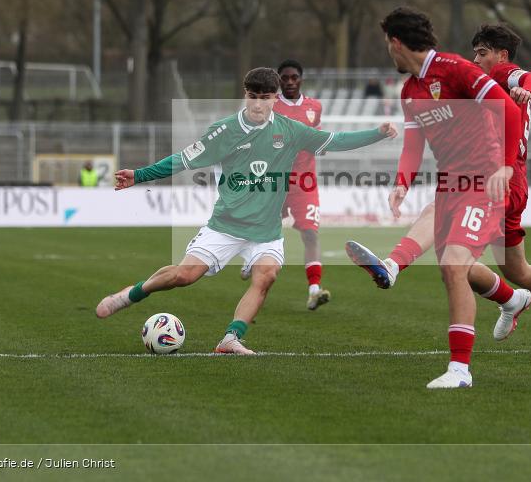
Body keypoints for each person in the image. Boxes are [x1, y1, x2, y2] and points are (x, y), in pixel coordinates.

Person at [346, 23, 531, 364]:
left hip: (498, 178)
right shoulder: (466, 82)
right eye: (474, 53)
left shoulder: (501, 73)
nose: (476, 59)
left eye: (482, 53)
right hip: (503, 180)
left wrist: (526, 90)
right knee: (514, 269)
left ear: (502, 55)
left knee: (441, 226)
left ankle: (394, 266)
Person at [95, 67, 396, 354]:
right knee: (184, 276)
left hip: (266, 232)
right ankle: (132, 294)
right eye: (253, 96)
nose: (258, 104)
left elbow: (336, 140)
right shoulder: (223, 131)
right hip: (225, 226)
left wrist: (377, 133)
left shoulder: (290, 130)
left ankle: (231, 338)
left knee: (266, 276)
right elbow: (182, 160)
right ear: (245, 94)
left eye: (265, 97)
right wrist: (140, 175)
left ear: (275, 98)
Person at [350, 7, 530, 389]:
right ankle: (510, 300)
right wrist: (401, 183)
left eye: (387, 45)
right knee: (451, 261)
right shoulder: (410, 91)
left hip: (484, 182)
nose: (388, 52)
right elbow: (413, 145)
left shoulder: (456, 69)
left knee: (453, 265)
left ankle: (460, 370)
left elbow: (510, 111)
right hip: (451, 183)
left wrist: (506, 167)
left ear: (396, 43)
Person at [271, 59, 330, 311]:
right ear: (278, 80)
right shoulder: (270, 106)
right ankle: (251, 258)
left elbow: (317, 138)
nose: (290, 82)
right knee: (265, 230)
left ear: (301, 79)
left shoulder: (314, 107)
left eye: (294, 77)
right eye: (285, 78)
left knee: (310, 233)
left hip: (305, 183)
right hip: (275, 181)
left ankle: (314, 290)